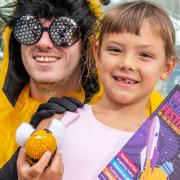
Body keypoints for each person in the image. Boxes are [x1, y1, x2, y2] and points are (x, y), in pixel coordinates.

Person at [1, 0, 177, 179]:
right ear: (96, 53)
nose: (127, 64)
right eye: (115, 50)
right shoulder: (58, 123)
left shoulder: (169, 142)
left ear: (167, 67)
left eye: (145, 55)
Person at [0, 0, 106, 168]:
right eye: (29, 29)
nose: (43, 43)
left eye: (62, 31)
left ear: (86, 45)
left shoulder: (130, 117)